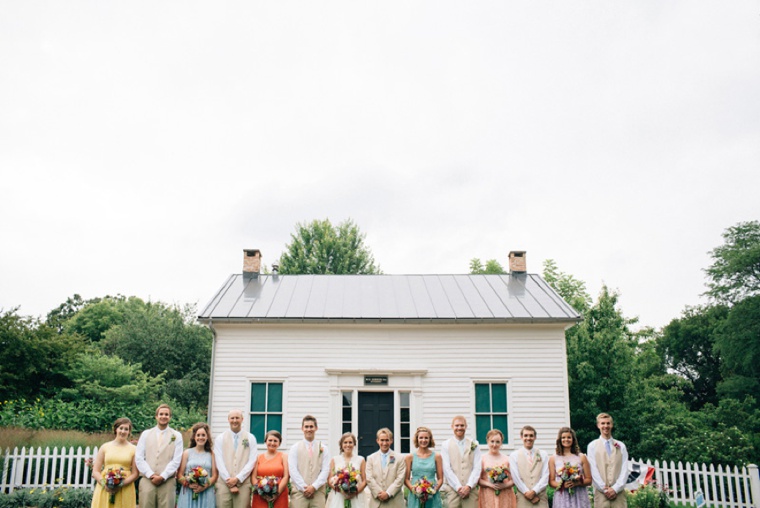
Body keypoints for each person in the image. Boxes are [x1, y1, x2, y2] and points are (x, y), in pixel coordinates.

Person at [135, 404, 184, 508]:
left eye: (166, 414)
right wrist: (151, 474)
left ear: (170, 417)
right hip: (147, 481)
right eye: (161, 414)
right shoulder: (145, 434)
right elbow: (139, 458)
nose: (163, 416)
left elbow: (176, 460)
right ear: (156, 416)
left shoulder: (177, 436)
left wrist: (163, 476)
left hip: (168, 482)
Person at [91, 417, 140, 508]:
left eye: (126, 429)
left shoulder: (134, 449)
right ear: (116, 429)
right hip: (105, 487)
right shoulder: (105, 447)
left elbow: (135, 473)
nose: (123, 431)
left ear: (129, 432)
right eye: (121, 428)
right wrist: (104, 484)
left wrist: (121, 484)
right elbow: (96, 471)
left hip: (125, 488)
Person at [215, 409, 259, 508]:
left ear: (242, 419)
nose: (235, 420)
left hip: (243, 485)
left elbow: (252, 461)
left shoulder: (251, 438)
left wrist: (238, 479)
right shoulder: (220, 438)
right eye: (232, 418)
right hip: (223, 484)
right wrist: (229, 481)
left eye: (237, 418)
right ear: (228, 420)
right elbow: (219, 461)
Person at [587, 414, 628, 508]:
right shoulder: (592, 446)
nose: (606, 426)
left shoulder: (621, 445)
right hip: (601, 493)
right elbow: (593, 470)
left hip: (619, 493)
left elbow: (624, 469)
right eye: (603, 423)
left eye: (608, 423)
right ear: (598, 425)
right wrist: (604, 489)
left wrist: (615, 488)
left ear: (612, 425)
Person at [288, 415, 330, 508]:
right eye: (306, 427)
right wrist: (304, 488)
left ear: (316, 428)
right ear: (302, 428)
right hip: (299, 493)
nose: (309, 429)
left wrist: (314, 487)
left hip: (318, 493)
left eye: (311, 426)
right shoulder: (294, 448)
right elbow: (293, 470)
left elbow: (325, 470)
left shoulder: (324, 448)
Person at [441, 416, 482, 508]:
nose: (459, 428)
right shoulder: (445, 445)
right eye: (457, 425)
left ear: (466, 427)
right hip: (452, 490)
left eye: (462, 425)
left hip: (471, 491)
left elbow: (477, 467)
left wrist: (469, 486)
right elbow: (447, 469)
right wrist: (458, 487)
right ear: (452, 427)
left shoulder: (474, 444)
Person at [178, 423, 219, 508]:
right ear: (194, 437)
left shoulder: (211, 454)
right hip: (189, 492)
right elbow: (179, 475)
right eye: (198, 435)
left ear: (207, 437)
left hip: (206, 492)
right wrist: (188, 484)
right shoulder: (186, 453)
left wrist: (204, 486)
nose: (201, 437)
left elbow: (215, 476)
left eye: (203, 435)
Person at [548, 427, 591, 508]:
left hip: (579, 495)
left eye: (569, 437)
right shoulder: (553, 458)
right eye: (563, 437)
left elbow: (589, 480)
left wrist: (577, 482)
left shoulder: (581, 457)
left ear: (573, 439)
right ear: (559, 440)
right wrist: (563, 485)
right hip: (562, 496)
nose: (566, 440)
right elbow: (551, 482)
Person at [366, 428, 407, 508]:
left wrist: (388, 493)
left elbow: (400, 478)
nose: (384, 443)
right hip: (377, 502)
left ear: (391, 440)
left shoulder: (400, 458)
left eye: (387, 440)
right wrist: (379, 493)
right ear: (377, 441)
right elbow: (369, 478)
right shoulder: (370, 458)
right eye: (382, 440)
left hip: (395, 501)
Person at [509, 426, 549, 508]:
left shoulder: (543, 454)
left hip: (540, 498)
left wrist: (534, 491)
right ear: (521, 437)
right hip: (523, 498)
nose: (528, 438)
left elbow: (545, 476)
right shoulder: (514, 455)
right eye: (526, 435)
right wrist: (526, 492)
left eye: (531, 435)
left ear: (535, 437)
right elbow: (516, 477)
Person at [405, 426, 444, 508]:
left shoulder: (437, 456)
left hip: (432, 495)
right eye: (421, 438)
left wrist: (433, 490)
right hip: (415, 495)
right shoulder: (410, 457)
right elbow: (406, 479)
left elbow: (440, 479)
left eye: (426, 438)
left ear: (430, 439)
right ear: (417, 439)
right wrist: (415, 490)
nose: (423, 440)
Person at [326, 433, 368, 508]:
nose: (348, 445)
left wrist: (355, 492)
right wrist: (341, 491)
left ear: (354, 444)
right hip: (339, 495)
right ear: (341, 444)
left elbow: (364, 481)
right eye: (345, 442)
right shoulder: (335, 459)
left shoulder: (361, 459)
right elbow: (329, 480)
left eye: (350, 442)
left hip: (356, 496)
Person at [477, 429, 516, 508]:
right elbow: (477, 479)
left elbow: (514, 480)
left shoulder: (507, 459)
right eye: (492, 441)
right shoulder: (481, 459)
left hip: (505, 495)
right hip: (487, 494)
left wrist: (504, 486)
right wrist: (489, 484)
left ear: (501, 443)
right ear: (487, 441)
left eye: (498, 442)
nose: (494, 444)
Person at [251, 430, 289, 508]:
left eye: (275, 441)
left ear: (279, 443)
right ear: (265, 441)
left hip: (280, 495)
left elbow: (286, 476)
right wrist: (262, 492)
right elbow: (253, 477)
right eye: (270, 440)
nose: (272, 443)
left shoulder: (284, 456)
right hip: (260, 496)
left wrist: (277, 493)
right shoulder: (258, 457)